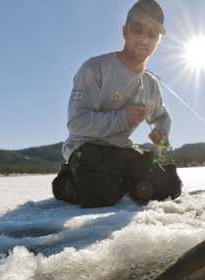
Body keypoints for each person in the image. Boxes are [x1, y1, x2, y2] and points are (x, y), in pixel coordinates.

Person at [52, 0, 182, 208]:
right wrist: (122, 118)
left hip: (121, 150)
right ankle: (67, 179)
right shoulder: (95, 68)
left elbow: (162, 117)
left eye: (152, 34)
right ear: (125, 31)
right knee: (101, 193)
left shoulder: (150, 83)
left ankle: (120, 181)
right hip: (87, 148)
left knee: (170, 186)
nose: (144, 39)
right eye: (138, 29)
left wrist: (161, 135)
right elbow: (76, 123)